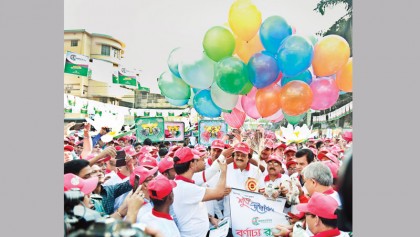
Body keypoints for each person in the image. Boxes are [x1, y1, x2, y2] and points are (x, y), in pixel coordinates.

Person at [172, 147, 228, 237]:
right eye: (196, 160)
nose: (199, 162)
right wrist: (224, 171)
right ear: (191, 164)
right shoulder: (186, 187)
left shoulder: (181, 183)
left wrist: (209, 217)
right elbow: (219, 193)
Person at [64, 159, 133, 215]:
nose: (99, 174)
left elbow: (131, 183)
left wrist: (131, 167)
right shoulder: (79, 198)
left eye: (100, 171)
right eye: (94, 172)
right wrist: (120, 213)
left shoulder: (110, 190)